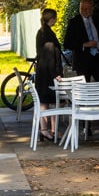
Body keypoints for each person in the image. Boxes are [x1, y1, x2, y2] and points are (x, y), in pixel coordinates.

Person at [63, 0, 99, 82]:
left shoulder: (97, 20)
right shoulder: (74, 22)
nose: (84, 11)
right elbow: (67, 43)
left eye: (87, 8)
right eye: (82, 8)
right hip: (83, 61)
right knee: (84, 88)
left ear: (92, 8)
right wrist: (84, 44)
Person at [34, 9, 63, 140]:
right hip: (48, 73)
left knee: (45, 101)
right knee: (53, 101)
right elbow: (50, 57)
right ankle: (49, 129)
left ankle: (46, 129)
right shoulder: (48, 35)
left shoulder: (41, 32)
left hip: (42, 71)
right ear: (52, 19)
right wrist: (56, 74)